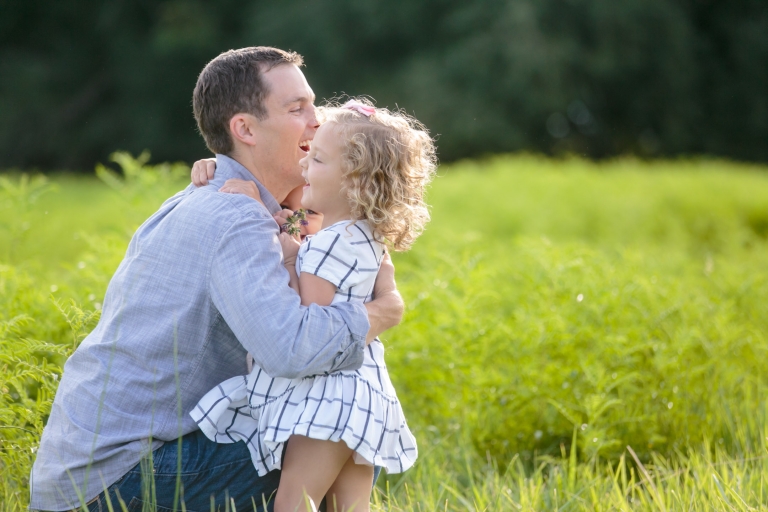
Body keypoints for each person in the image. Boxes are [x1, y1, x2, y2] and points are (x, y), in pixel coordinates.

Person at [29, 47, 404, 511]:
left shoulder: (232, 200)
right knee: (328, 420)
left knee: (318, 416)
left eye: (314, 104)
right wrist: (382, 310)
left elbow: (307, 229)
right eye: (297, 109)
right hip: (117, 482)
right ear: (244, 129)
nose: (317, 120)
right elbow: (294, 350)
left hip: (92, 474)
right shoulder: (236, 217)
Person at [191, 99, 435, 512]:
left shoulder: (328, 245)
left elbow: (307, 319)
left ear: (353, 179)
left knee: (292, 504)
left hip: (325, 396)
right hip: (364, 393)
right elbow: (295, 223)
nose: (305, 166)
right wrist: (233, 179)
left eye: (317, 159)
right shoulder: (359, 235)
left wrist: (283, 252)